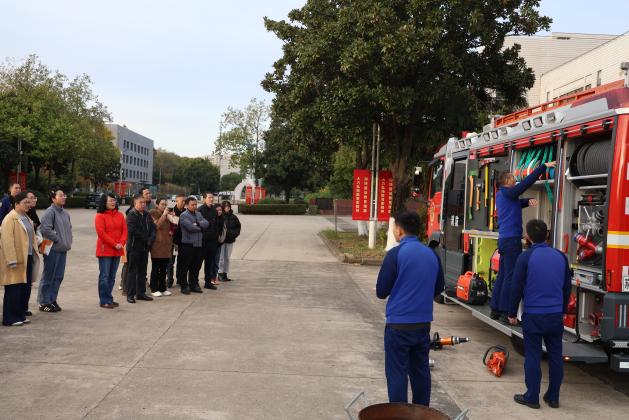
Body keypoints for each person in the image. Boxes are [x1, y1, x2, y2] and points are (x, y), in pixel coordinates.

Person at [376, 211, 444, 406]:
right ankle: (421, 413)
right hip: (423, 325)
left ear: (399, 230)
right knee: (421, 371)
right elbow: (439, 288)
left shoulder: (395, 254)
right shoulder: (432, 254)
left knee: (397, 374)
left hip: (398, 326)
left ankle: (399, 414)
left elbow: (381, 291)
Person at [508, 219, 571, 409]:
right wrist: (563, 310)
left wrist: (512, 312)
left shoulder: (525, 257)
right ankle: (553, 397)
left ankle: (532, 397)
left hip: (534, 315)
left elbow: (516, 287)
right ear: (547, 235)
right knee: (556, 356)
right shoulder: (561, 257)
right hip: (555, 315)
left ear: (528, 237)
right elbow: (566, 288)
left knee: (533, 355)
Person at [490, 160, 556, 321]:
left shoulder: (502, 194)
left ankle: (495, 309)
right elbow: (526, 183)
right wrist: (543, 167)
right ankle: (506, 312)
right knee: (510, 277)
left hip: (505, 240)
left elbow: (514, 204)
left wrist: (527, 202)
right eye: (512, 177)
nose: (515, 178)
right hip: (511, 240)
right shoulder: (509, 192)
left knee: (503, 275)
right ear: (506, 181)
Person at [0, 192, 40, 326]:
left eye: (29, 202)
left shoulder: (26, 218)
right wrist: (11, 259)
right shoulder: (9, 219)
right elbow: (6, 240)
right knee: (13, 288)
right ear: (16, 204)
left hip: (27, 257)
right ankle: (9, 318)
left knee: (24, 288)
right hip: (15, 260)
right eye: (25, 202)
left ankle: (20, 315)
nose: (28, 205)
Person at [38, 190, 73, 313]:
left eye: (64, 195)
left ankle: (52, 299)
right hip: (51, 249)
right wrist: (58, 239)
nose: (64, 197)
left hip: (62, 249)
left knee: (58, 276)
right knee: (49, 275)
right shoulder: (50, 212)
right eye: (60, 195)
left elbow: (69, 229)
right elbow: (45, 229)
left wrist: (68, 241)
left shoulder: (65, 213)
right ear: (53, 199)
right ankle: (43, 302)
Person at [94, 193, 127, 309]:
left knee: (112, 277)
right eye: (110, 200)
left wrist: (121, 243)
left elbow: (125, 231)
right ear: (104, 202)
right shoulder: (100, 216)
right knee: (104, 276)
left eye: (114, 200)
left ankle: (109, 298)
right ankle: (104, 300)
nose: (113, 202)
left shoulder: (120, 215)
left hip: (117, 250)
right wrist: (114, 244)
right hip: (105, 250)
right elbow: (101, 233)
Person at [126, 194, 156, 303]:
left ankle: (141, 293)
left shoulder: (147, 214)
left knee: (142, 272)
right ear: (135, 204)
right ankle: (130, 294)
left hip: (145, 247)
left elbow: (153, 227)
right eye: (141, 203)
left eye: (144, 203)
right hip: (134, 247)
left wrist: (151, 238)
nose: (143, 204)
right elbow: (133, 231)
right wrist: (146, 239)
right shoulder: (131, 214)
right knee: (132, 272)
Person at [177, 196, 208, 294]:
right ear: (187, 205)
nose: (195, 206)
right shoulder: (184, 215)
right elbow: (190, 227)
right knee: (185, 266)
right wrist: (200, 227)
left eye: (195, 204)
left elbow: (206, 223)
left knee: (196, 266)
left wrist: (197, 224)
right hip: (188, 244)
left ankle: (193, 284)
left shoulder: (198, 214)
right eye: (192, 205)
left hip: (198, 244)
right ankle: (183, 286)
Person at [149, 198, 174, 297]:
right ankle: (154, 288)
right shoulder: (153, 212)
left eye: (165, 204)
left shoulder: (167, 214)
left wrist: (172, 217)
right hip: (157, 245)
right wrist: (164, 215)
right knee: (156, 268)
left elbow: (174, 226)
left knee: (164, 269)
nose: (164, 206)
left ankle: (163, 288)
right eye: (162, 204)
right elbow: (156, 226)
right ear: (157, 205)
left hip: (166, 244)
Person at [198, 192, 218, 290]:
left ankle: (208, 282)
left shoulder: (214, 210)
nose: (211, 199)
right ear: (204, 199)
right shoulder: (200, 210)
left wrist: (216, 236)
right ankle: (194, 282)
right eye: (209, 197)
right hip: (202, 241)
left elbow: (216, 224)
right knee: (198, 263)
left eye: (212, 197)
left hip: (212, 241)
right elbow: (198, 224)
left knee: (209, 263)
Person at [167, 193, 186, 288]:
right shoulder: (171, 211)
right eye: (182, 201)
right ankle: (169, 280)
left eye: (185, 201)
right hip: (173, 241)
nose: (184, 203)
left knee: (182, 261)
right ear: (177, 201)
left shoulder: (186, 212)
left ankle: (180, 279)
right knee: (170, 262)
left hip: (184, 241)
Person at [218, 201, 240, 282]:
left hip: (230, 240)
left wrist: (233, 234)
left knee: (227, 258)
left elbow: (238, 227)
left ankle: (225, 273)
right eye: (225, 206)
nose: (227, 207)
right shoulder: (220, 216)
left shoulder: (234, 217)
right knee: (221, 258)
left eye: (228, 206)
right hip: (221, 241)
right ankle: (219, 273)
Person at [211, 203, 226, 285]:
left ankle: (214, 278)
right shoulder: (212, 219)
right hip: (211, 243)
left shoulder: (222, 219)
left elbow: (224, 231)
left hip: (219, 243)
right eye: (217, 210)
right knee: (211, 261)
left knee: (216, 261)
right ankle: (210, 278)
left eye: (220, 210)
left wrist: (221, 239)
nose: (219, 211)